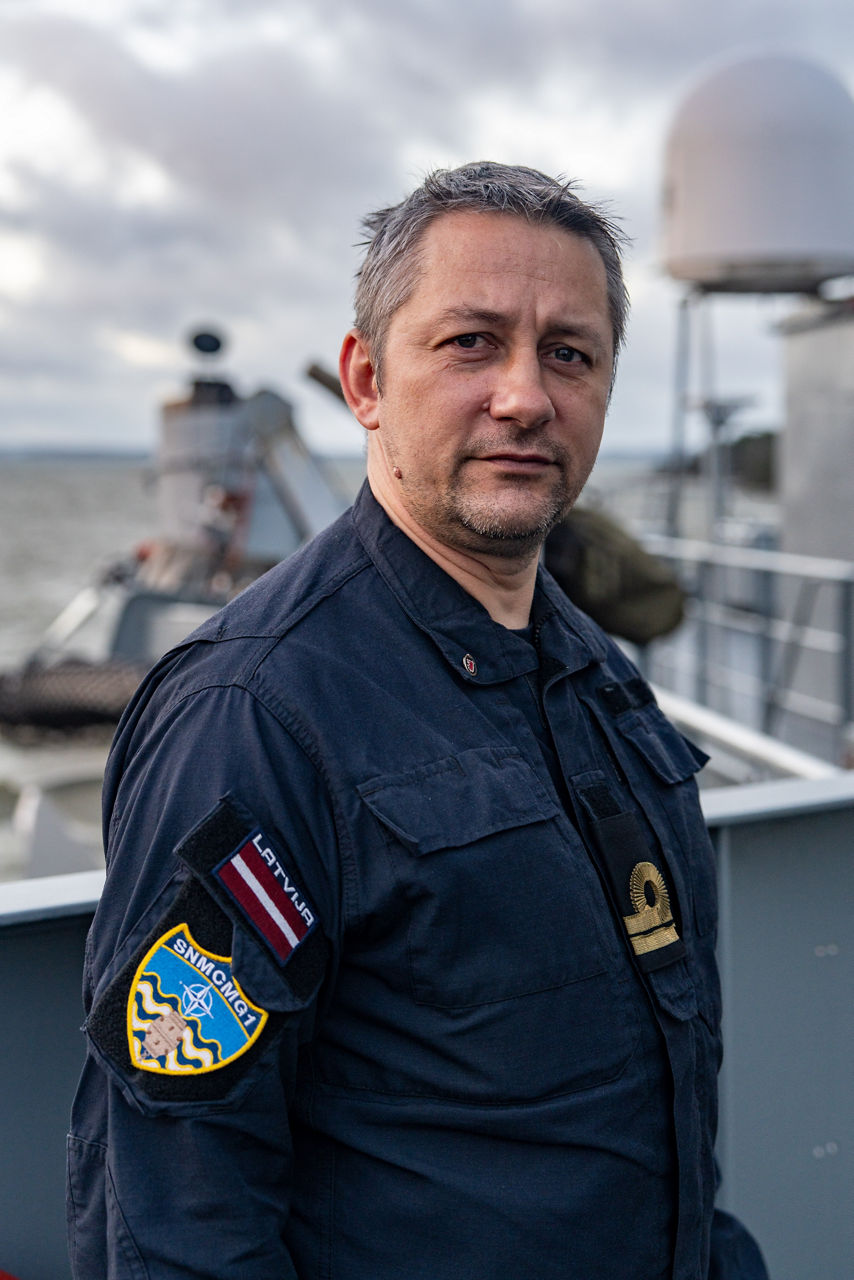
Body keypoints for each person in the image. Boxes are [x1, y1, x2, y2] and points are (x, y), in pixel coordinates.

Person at [67, 162, 768, 1279]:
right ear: (365, 379)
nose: (525, 396)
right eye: (470, 343)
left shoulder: (588, 670)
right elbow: (177, 1208)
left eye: (569, 353)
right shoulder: (255, 714)